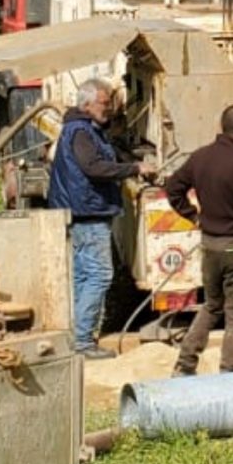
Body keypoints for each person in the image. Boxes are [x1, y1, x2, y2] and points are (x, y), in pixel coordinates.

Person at [45, 76, 155, 360]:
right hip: (88, 212)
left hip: (80, 211)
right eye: (105, 104)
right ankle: (83, 342)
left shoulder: (79, 129)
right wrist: (134, 168)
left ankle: (77, 334)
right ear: (88, 103)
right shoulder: (81, 132)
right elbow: (94, 167)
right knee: (98, 276)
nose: (109, 109)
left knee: (83, 276)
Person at [161, 103, 233, 376]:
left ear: (221, 128)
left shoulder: (200, 157)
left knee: (212, 305)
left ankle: (185, 364)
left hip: (210, 244)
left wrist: (194, 216)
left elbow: (173, 187)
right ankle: (229, 370)